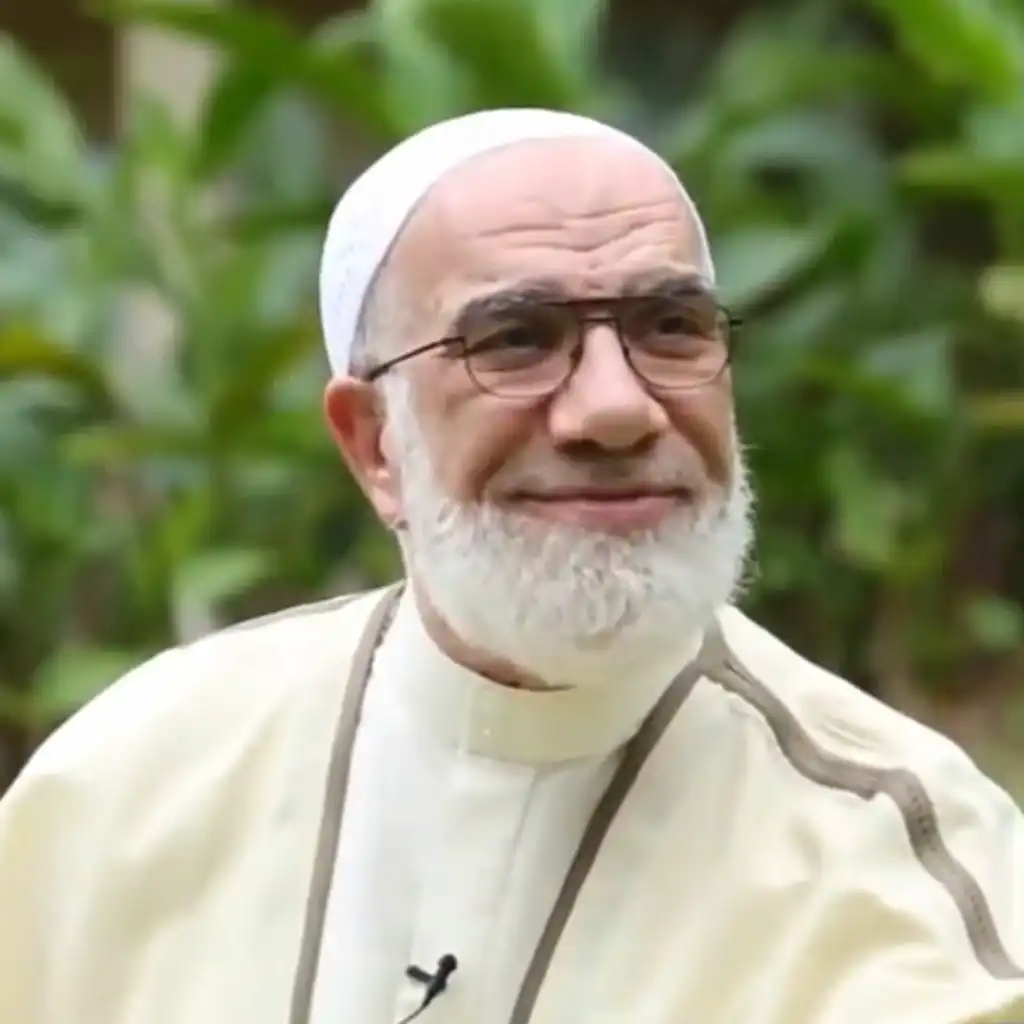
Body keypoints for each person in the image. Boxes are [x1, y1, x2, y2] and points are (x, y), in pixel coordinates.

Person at [0, 108, 1021, 1024]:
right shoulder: (127, 787)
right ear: (373, 443)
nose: (617, 409)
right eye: (518, 339)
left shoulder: (905, 873)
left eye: (670, 329)